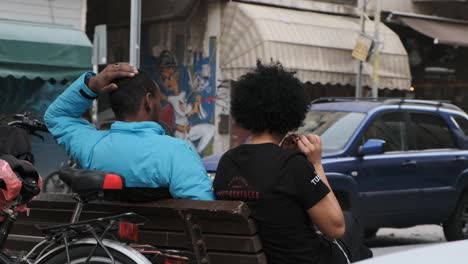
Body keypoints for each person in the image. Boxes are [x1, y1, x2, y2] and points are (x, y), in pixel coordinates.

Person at [213, 61, 372, 264]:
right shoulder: (292, 165)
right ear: (291, 112)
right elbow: (335, 228)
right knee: (351, 225)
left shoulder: (228, 161)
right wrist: (316, 164)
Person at [44, 63, 214, 201]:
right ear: (148, 101)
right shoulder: (177, 152)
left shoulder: (92, 148)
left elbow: (57, 115)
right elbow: (202, 210)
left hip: (101, 240)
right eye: (157, 98)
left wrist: (92, 85)